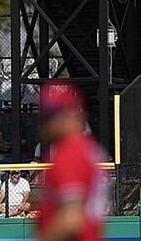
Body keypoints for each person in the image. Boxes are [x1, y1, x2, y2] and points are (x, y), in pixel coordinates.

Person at [37, 81, 107, 241]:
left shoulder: (70, 153)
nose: (45, 123)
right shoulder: (85, 148)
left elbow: (71, 220)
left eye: (50, 115)